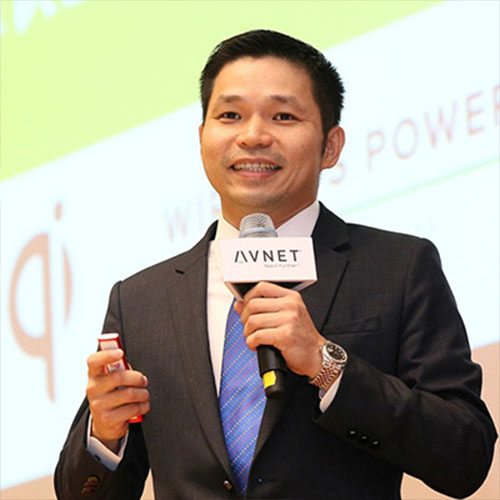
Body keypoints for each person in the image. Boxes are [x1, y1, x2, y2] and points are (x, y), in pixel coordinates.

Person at [54, 30, 497, 500]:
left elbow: (465, 456)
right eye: (230, 115)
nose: (253, 136)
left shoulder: (399, 268)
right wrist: (105, 435)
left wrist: (327, 365)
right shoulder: (142, 300)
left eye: (283, 116)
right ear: (202, 139)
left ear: (331, 146)